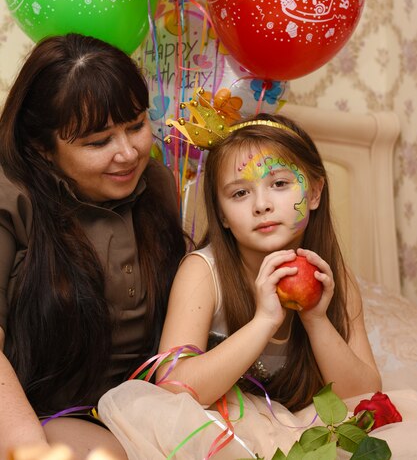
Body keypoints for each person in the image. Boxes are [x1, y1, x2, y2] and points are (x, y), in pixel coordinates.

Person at [97, 108, 417, 459]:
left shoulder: (332, 274)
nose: (262, 205)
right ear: (221, 215)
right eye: (239, 194)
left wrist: (317, 320)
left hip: (305, 427)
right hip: (226, 428)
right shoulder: (204, 272)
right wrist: (264, 320)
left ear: (314, 193)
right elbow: (175, 387)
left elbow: (362, 396)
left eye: (280, 184)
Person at [0, 34, 186, 459]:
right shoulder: (10, 199)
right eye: (97, 142)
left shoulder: (156, 184)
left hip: (140, 407)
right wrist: (29, 448)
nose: (128, 153)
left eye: (136, 125)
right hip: (36, 414)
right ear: (42, 149)